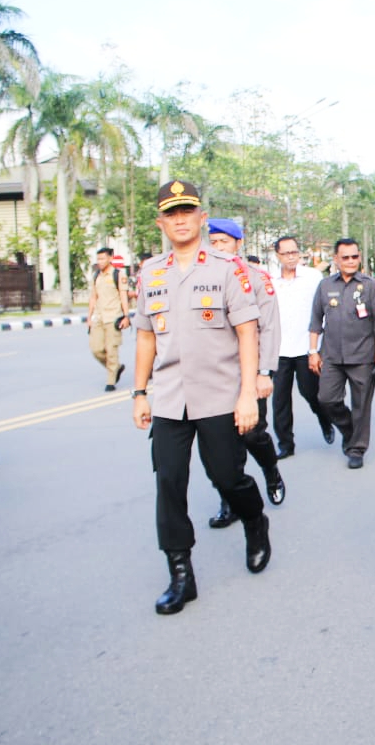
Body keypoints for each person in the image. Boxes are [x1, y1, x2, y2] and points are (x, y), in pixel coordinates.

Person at [130, 180, 272, 616]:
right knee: (168, 483)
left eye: (186, 211)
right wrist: (139, 392)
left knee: (228, 478)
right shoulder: (149, 272)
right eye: (171, 213)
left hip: (220, 396)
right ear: (161, 222)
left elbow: (248, 333)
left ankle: (254, 520)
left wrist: (248, 393)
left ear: (200, 217)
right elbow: (145, 337)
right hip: (171, 399)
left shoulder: (228, 269)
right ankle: (180, 574)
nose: (179, 220)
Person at [205, 218, 286, 528]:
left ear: (238, 244)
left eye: (224, 242)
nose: (218, 248)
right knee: (223, 444)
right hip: (215, 376)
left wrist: (264, 372)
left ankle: (270, 470)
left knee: (251, 434)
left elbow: (269, 327)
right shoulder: (201, 277)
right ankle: (230, 501)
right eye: (213, 242)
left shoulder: (255, 278)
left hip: (248, 373)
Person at [309, 238, 375, 469]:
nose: (351, 261)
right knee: (326, 399)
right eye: (345, 257)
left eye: (355, 256)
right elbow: (315, 321)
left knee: (361, 406)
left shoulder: (370, 286)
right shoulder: (325, 286)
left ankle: (356, 449)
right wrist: (313, 351)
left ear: (359, 258)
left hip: (363, 356)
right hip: (331, 356)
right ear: (336, 259)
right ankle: (348, 429)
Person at [270, 235, 332, 458]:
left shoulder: (313, 277)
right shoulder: (270, 280)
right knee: (280, 400)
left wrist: (320, 347)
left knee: (311, 392)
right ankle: (286, 444)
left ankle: (325, 419)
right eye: (286, 253)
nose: (291, 257)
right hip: (279, 350)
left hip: (307, 348)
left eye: (294, 252)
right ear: (277, 255)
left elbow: (323, 309)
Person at [86, 248, 131, 391]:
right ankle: (115, 367)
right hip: (99, 317)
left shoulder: (118, 275)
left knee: (111, 350)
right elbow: (93, 297)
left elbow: (123, 296)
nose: (99, 262)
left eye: (102, 259)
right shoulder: (96, 276)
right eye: (98, 259)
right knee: (96, 349)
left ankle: (111, 381)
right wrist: (89, 317)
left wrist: (126, 316)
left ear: (110, 258)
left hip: (114, 317)